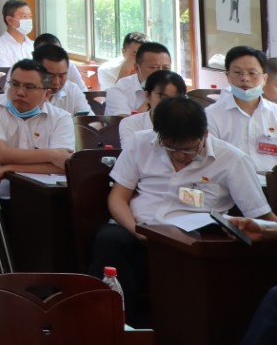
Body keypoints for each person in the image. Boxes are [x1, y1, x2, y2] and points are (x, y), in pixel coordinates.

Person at [91, 96, 273, 326]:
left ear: (205, 134)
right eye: (170, 147)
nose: (178, 155)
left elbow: (261, 216)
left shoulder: (232, 160)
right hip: (137, 231)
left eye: (188, 149)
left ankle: (163, 327)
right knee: (108, 240)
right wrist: (136, 230)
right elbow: (118, 197)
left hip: (189, 241)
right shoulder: (140, 143)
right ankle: (116, 325)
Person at [0, 59, 76, 195]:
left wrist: (9, 168)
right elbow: (1, 155)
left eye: (29, 87)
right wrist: (53, 154)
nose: (19, 92)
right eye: (15, 84)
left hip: (43, 196)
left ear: (47, 94)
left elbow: (63, 166)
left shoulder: (61, 118)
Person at [208, 46, 277, 172]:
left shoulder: (275, 113)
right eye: (237, 72)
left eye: (252, 73)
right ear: (228, 76)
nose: (245, 78)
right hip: (229, 183)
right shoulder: (210, 115)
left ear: (264, 78)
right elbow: (209, 161)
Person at [119, 70, 187, 147]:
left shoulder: (187, 124)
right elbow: (130, 152)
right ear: (147, 96)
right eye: (162, 97)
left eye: (175, 99)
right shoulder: (131, 123)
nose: (168, 103)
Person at [104, 41, 171, 115]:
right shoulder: (119, 90)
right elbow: (123, 121)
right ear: (136, 68)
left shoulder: (174, 87)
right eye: (153, 67)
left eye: (166, 68)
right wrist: (149, 100)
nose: (160, 72)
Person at [33, 43, 94, 119]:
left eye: (61, 76)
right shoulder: (23, 94)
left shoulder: (72, 90)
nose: (56, 82)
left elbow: (91, 122)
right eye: (50, 76)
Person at [0, 0, 35, 67]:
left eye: (30, 17)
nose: (29, 20)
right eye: (24, 17)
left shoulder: (34, 45)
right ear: (9, 20)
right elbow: (4, 72)